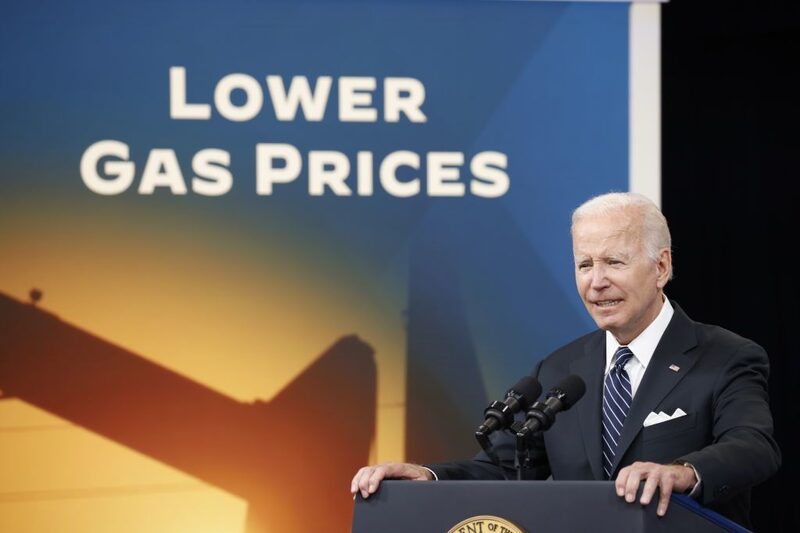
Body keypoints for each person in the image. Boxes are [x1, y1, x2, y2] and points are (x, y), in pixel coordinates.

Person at [350, 192, 780, 528]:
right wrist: (428, 479)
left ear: (661, 267)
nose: (596, 283)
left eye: (613, 262)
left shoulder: (725, 356)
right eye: (584, 264)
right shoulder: (560, 371)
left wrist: (683, 472)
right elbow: (505, 470)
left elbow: (753, 447)